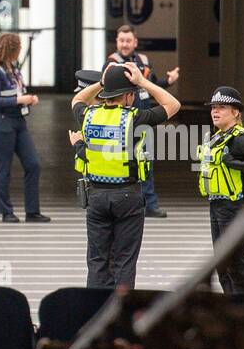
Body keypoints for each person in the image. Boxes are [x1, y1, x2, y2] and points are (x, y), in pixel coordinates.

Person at [73, 61, 180, 289]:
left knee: (97, 261)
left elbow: (77, 100)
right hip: (127, 197)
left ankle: (94, 313)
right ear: (129, 96)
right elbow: (173, 104)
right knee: (124, 262)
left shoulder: (88, 115)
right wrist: (142, 82)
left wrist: (101, 83)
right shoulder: (134, 118)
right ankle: (120, 316)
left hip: (96, 197)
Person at [197, 86, 244, 295]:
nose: (215, 111)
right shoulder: (218, 136)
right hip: (217, 205)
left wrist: (235, 164)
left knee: (237, 265)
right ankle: (231, 306)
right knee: (223, 265)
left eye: (221, 107)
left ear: (236, 112)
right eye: (213, 107)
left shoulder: (240, 137)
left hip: (235, 206)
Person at [108, 25, 179, 218]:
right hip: (123, 123)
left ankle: (150, 205)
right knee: (124, 163)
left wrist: (168, 81)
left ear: (135, 42)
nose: (124, 44)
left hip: (144, 120)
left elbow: (152, 84)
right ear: (116, 41)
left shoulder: (143, 61)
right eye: (121, 40)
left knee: (146, 161)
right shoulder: (113, 64)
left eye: (128, 40)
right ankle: (123, 202)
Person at [0, 32, 50, 223]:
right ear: (11, 49)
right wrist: (19, 100)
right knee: (4, 167)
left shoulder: (14, 71)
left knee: (33, 164)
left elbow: (17, 92)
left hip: (19, 122)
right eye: (18, 48)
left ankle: (32, 210)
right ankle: (6, 211)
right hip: (3, 122)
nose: (20, 51)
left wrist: (28, 100)